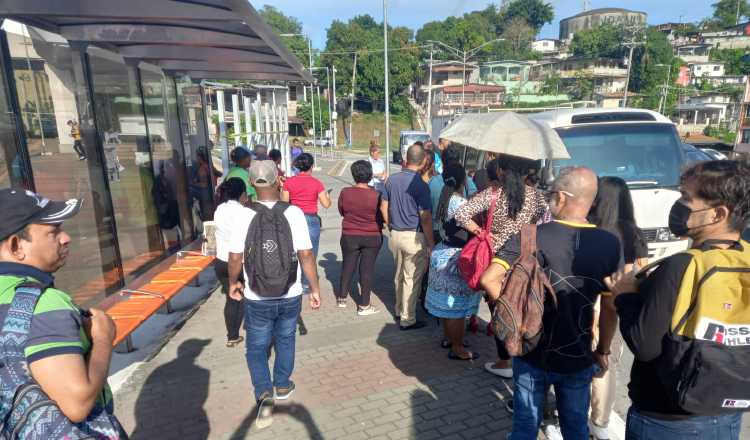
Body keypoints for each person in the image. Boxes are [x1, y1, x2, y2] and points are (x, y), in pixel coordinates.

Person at [605, 160, 750, 440]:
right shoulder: (746, 256)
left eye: (686, 198)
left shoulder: (681, 266)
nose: (678, 206)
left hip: (667, 419)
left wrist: (624, 296)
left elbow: (644, 345)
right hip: (727, 410)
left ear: (717, 214)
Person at [480, 167, 621, 440]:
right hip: (578, 354)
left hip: (531, 351)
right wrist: (602, 349)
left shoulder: (529, 236)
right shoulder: (609, 243)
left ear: (561, 197)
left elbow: (489, 280)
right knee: (575, 427)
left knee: (524, 426)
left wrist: (514, 317)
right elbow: (611, 307)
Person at [0, 189, 125, 433]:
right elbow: (77, 403)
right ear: (16, 246)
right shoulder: (44, 304)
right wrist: (102, 339)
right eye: (53, 231)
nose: (66, 238)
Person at [227, 160, 322, 429]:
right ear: (277, 181)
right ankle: (282, 384)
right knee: (285, 338)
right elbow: (306, 254)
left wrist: (233, 283)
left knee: (256, 347)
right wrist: (314, 289)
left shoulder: (244, 215)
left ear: (252, 185)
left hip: (256, 295)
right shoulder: (293, 213)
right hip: (290, 291)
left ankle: (264, 392)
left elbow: (235, 257)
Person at [454, 154, 547, 378]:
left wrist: (481, 232)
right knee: (525, 304)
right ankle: (526, 350)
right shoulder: (537, 197)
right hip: (526, 258)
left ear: (501, 171)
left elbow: (460, 214)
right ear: (526, 172)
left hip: (496, 260)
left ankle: (505, 361)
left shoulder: (493, 193)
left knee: (500, 310)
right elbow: (546, 221)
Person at [586, 176, 649, 439]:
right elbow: (642, 270)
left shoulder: (590, 227)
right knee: (607, 360)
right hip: (618, 300)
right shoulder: (632, 231)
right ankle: (599, 419)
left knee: (590, 359)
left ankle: (587, 413)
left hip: (591, 301)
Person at [425, 163, 481, 360]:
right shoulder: (459, 203)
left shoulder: (445, 197)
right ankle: (458, 348)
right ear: (463, 180)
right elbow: (475, 229)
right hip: (455, 259)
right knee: (456, 307)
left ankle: (450, 339)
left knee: (448, 306)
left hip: (443, 253)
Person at [381, 143, 435, 330]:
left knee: (398, 275)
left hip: (395, 234)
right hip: (414, 236)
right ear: (422, 162)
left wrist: (390, 226)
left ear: (406, 159)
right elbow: (425, 217)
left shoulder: (391, 180)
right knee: (411, 278)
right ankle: (408, 318)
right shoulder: (421, 185)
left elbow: (383, 206)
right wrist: (431, 243)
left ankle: (398, 310)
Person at [282, 153, 331, 335]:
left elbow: (284, 202)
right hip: (311, 220)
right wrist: (325, 196)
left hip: (293, 219)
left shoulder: (289, 183)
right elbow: (326, 204)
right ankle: (305, 283)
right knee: (310, 254)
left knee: (292, 252)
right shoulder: (317, 183)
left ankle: (293, 280)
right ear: (311, 167)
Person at [337, 160, 383, 315]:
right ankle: (364, 305)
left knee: (348, 264)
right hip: (372, 235)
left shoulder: (345, 192)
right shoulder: (376, 195)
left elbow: (341, 210)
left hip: (349, 234)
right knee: (367, 270)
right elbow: (381, 216)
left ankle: (342, 297)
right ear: (370, 175)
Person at [213, 178, 249, 347]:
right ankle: (251, 327)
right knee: (244, 296)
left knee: (231, 297)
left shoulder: (219, 209)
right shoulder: (243, 212)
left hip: (220, 261)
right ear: (242, 194)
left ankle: (232, 336)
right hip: (239, 262)